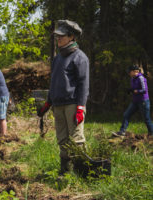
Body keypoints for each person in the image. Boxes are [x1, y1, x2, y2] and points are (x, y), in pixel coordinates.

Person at [37, 20, 89, 175]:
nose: (58, 39)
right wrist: (48, 101)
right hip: (57, 105)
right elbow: (54, 82)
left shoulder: (80, 57)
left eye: (61, 36)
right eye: (57, 36)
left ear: (71, 37)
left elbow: (83, 84)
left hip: (73, 104)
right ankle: (65, 171)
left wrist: (81, 106)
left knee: (76, 139)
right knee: (62, 139)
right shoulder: (58, 58)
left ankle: (82, 171)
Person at [112, 65, 153, 137]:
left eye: (130, 71)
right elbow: (134, 89)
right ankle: (122, 132)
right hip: (135, 101)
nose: (129, 73)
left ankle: (151, 133)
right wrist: (130, 90)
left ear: (135, 71)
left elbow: (144, 90)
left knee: (146, 119)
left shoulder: (141, 78)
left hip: (143, 101)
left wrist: (134, 91)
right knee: (126, 115)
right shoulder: (132, 78)